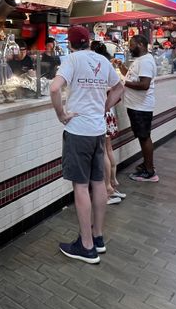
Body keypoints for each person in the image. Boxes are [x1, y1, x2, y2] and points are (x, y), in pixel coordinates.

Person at [50, 25, 123, 263]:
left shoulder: (72, 59)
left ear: (69, 43)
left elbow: (54, 88)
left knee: (81, 187)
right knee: (98, 183)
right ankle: (98, 237)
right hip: (97, 130)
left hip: (78, 131)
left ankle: (86, 245)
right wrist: (104, 107)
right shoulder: (102, 60)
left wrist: (61, 115)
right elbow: (119, 86)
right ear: (89, 40)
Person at [115, 35, 159, 182]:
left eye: (132, 45)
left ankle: (150, 171)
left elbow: (144, 85)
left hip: (141, 106)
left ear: (141, 44)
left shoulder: (146, 61)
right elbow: (132, 77)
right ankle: (147, 164)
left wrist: (123, 82)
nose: (129, 48)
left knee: (144, 137)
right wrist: (122, 67)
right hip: (136, 105)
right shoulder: (140, 60)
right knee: (142, 136)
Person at [90, 41, 126, 204]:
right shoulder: (108, 65)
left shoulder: (96, 65)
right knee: (108, 148)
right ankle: (112, 182)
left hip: (101, 111)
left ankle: (108, 189)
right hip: (108, 111)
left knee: (103, 151)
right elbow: (118, 87)